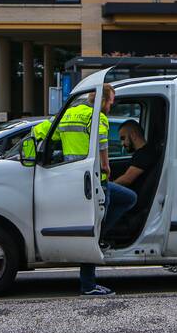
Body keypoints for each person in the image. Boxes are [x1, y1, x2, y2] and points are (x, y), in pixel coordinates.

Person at [57, 84, 137, 296]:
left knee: (128, 198)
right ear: (103, 100)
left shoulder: (71, 114)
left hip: (74, 176)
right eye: (111, 100)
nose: (112, 104)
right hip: (95, 181)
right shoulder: (98, 117)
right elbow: (102, 144)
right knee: (94, 229)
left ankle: (101, 235)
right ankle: (89, 286)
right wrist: (107, 166)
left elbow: (49, 134)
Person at [114, 120, 158, 198]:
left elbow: (127, 179)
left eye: (123, 138)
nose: (122, 143)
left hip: (134, 201)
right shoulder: (144, 152)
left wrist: (108, 187)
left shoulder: (144, 154)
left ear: (133, 135)